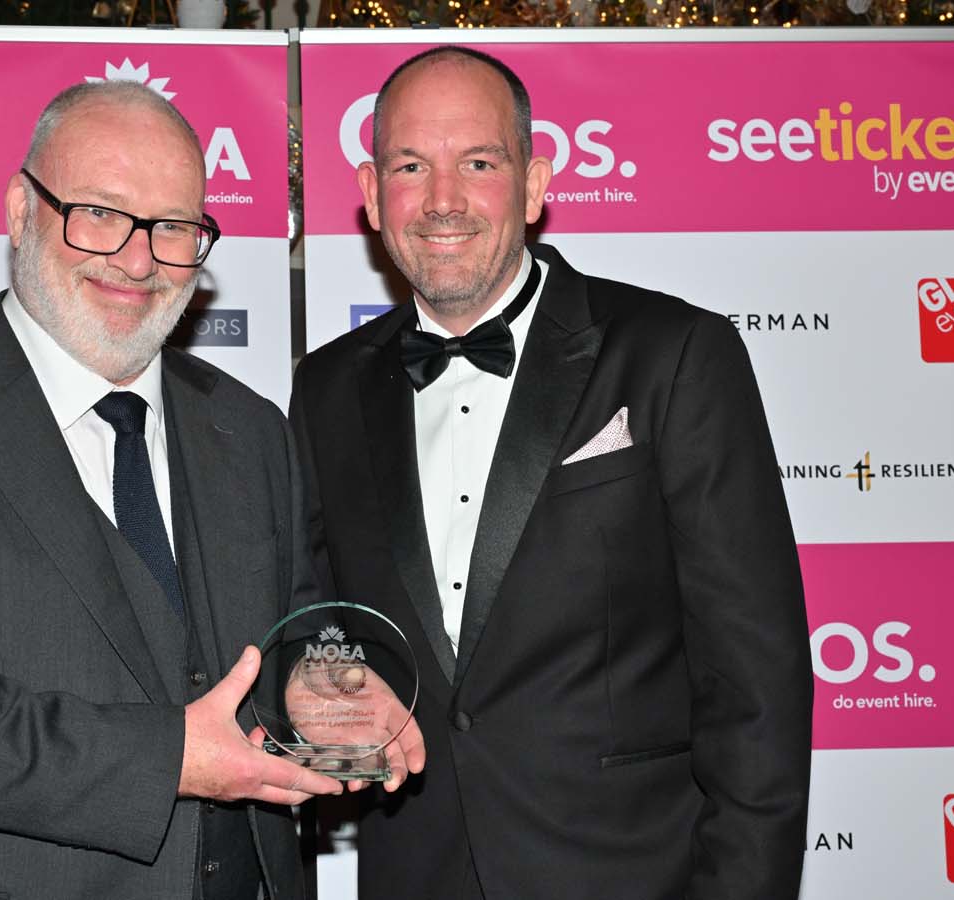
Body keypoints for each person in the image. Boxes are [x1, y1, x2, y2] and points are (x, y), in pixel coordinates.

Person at [0, 81, 349, 900]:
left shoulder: (250, 429)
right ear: (21, 211)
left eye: (173, 226)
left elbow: (296, 634)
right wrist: (167, 759)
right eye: (101, 214)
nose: (139, 260)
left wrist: (334, 699)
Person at [289, 46, 813, 900]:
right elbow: (309, 608)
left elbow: (756, 680)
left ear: (534, 186)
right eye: (411, 166)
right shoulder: (326, 389)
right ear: (372, 194)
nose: (443, 199)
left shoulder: (674, 355)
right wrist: (318, 678)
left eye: (479, 163)